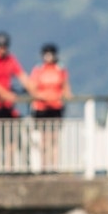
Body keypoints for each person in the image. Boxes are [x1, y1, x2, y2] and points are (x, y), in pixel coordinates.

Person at [30, 43, 72, 172]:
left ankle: (54, 166)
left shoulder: (60, 69)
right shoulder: (38, 70)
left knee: (54, 138)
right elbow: (32, 87)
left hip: (56, 107)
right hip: (41, 108)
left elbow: (66, 88)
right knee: (43, 139)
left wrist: (67, 96)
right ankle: (44, 166)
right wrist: (41, 96)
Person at [0, 32, 33, 118]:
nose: (2, 50)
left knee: (18, 124)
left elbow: (22, 76)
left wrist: (34, 91)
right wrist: (6, 94)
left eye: (4, 47)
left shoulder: (10, 59)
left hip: (7, 105)